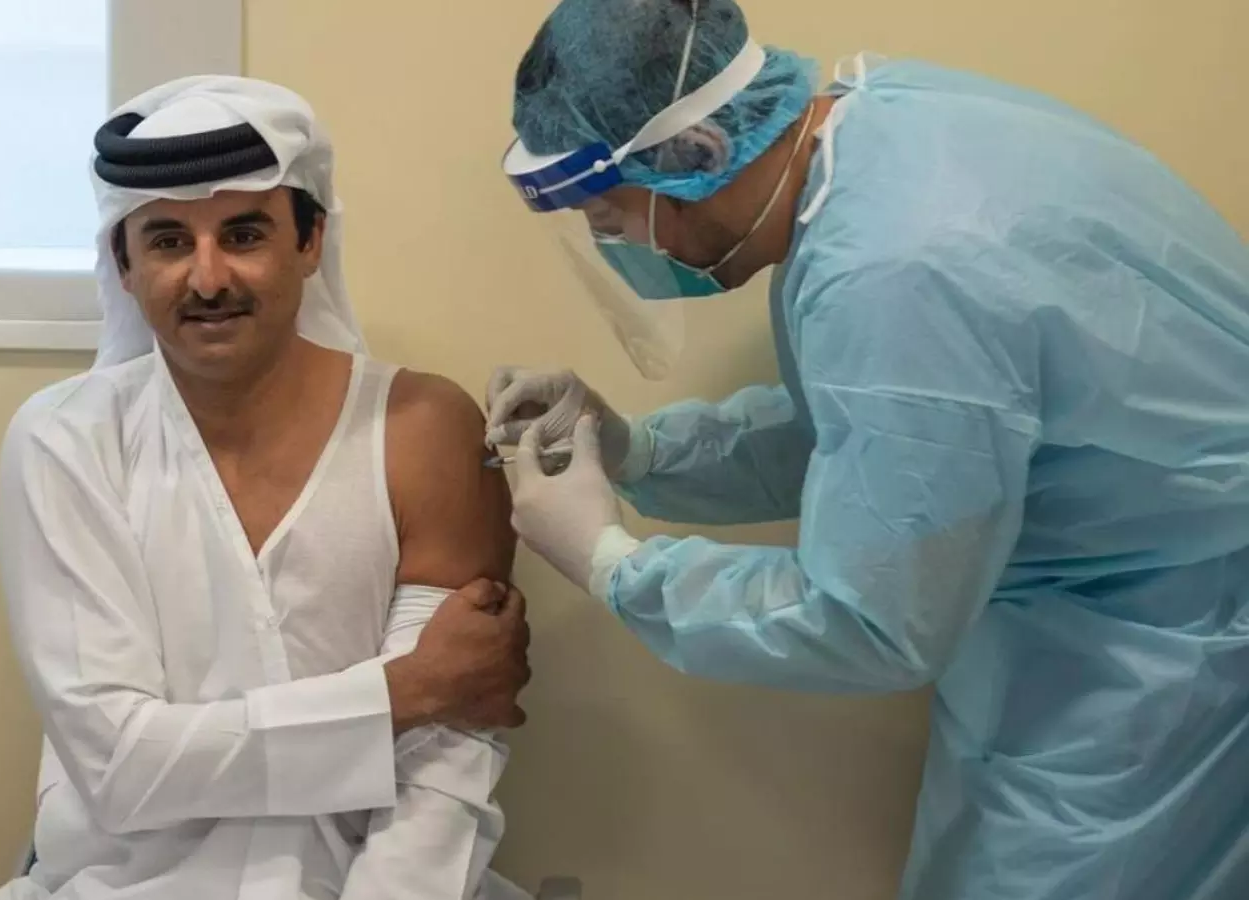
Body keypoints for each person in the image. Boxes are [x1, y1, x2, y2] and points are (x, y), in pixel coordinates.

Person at [486, 1, 1249, 898]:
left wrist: (612, 563)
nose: (613, 241)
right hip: (1125, 609)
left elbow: (870, 621)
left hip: (1169, 658)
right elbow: (881, 433)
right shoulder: (880, 124)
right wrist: (640, 450)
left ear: (696, 153)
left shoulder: (897, 267)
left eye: (609, 212)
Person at [0, 76, 533, 900]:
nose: (208, 278)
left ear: (310, 241)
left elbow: (447, 755)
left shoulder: (422, 429)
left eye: (244, 234)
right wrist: (408, 691)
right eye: (169, 241)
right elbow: (121, 768)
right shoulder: (65, 441)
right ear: (124, 265)